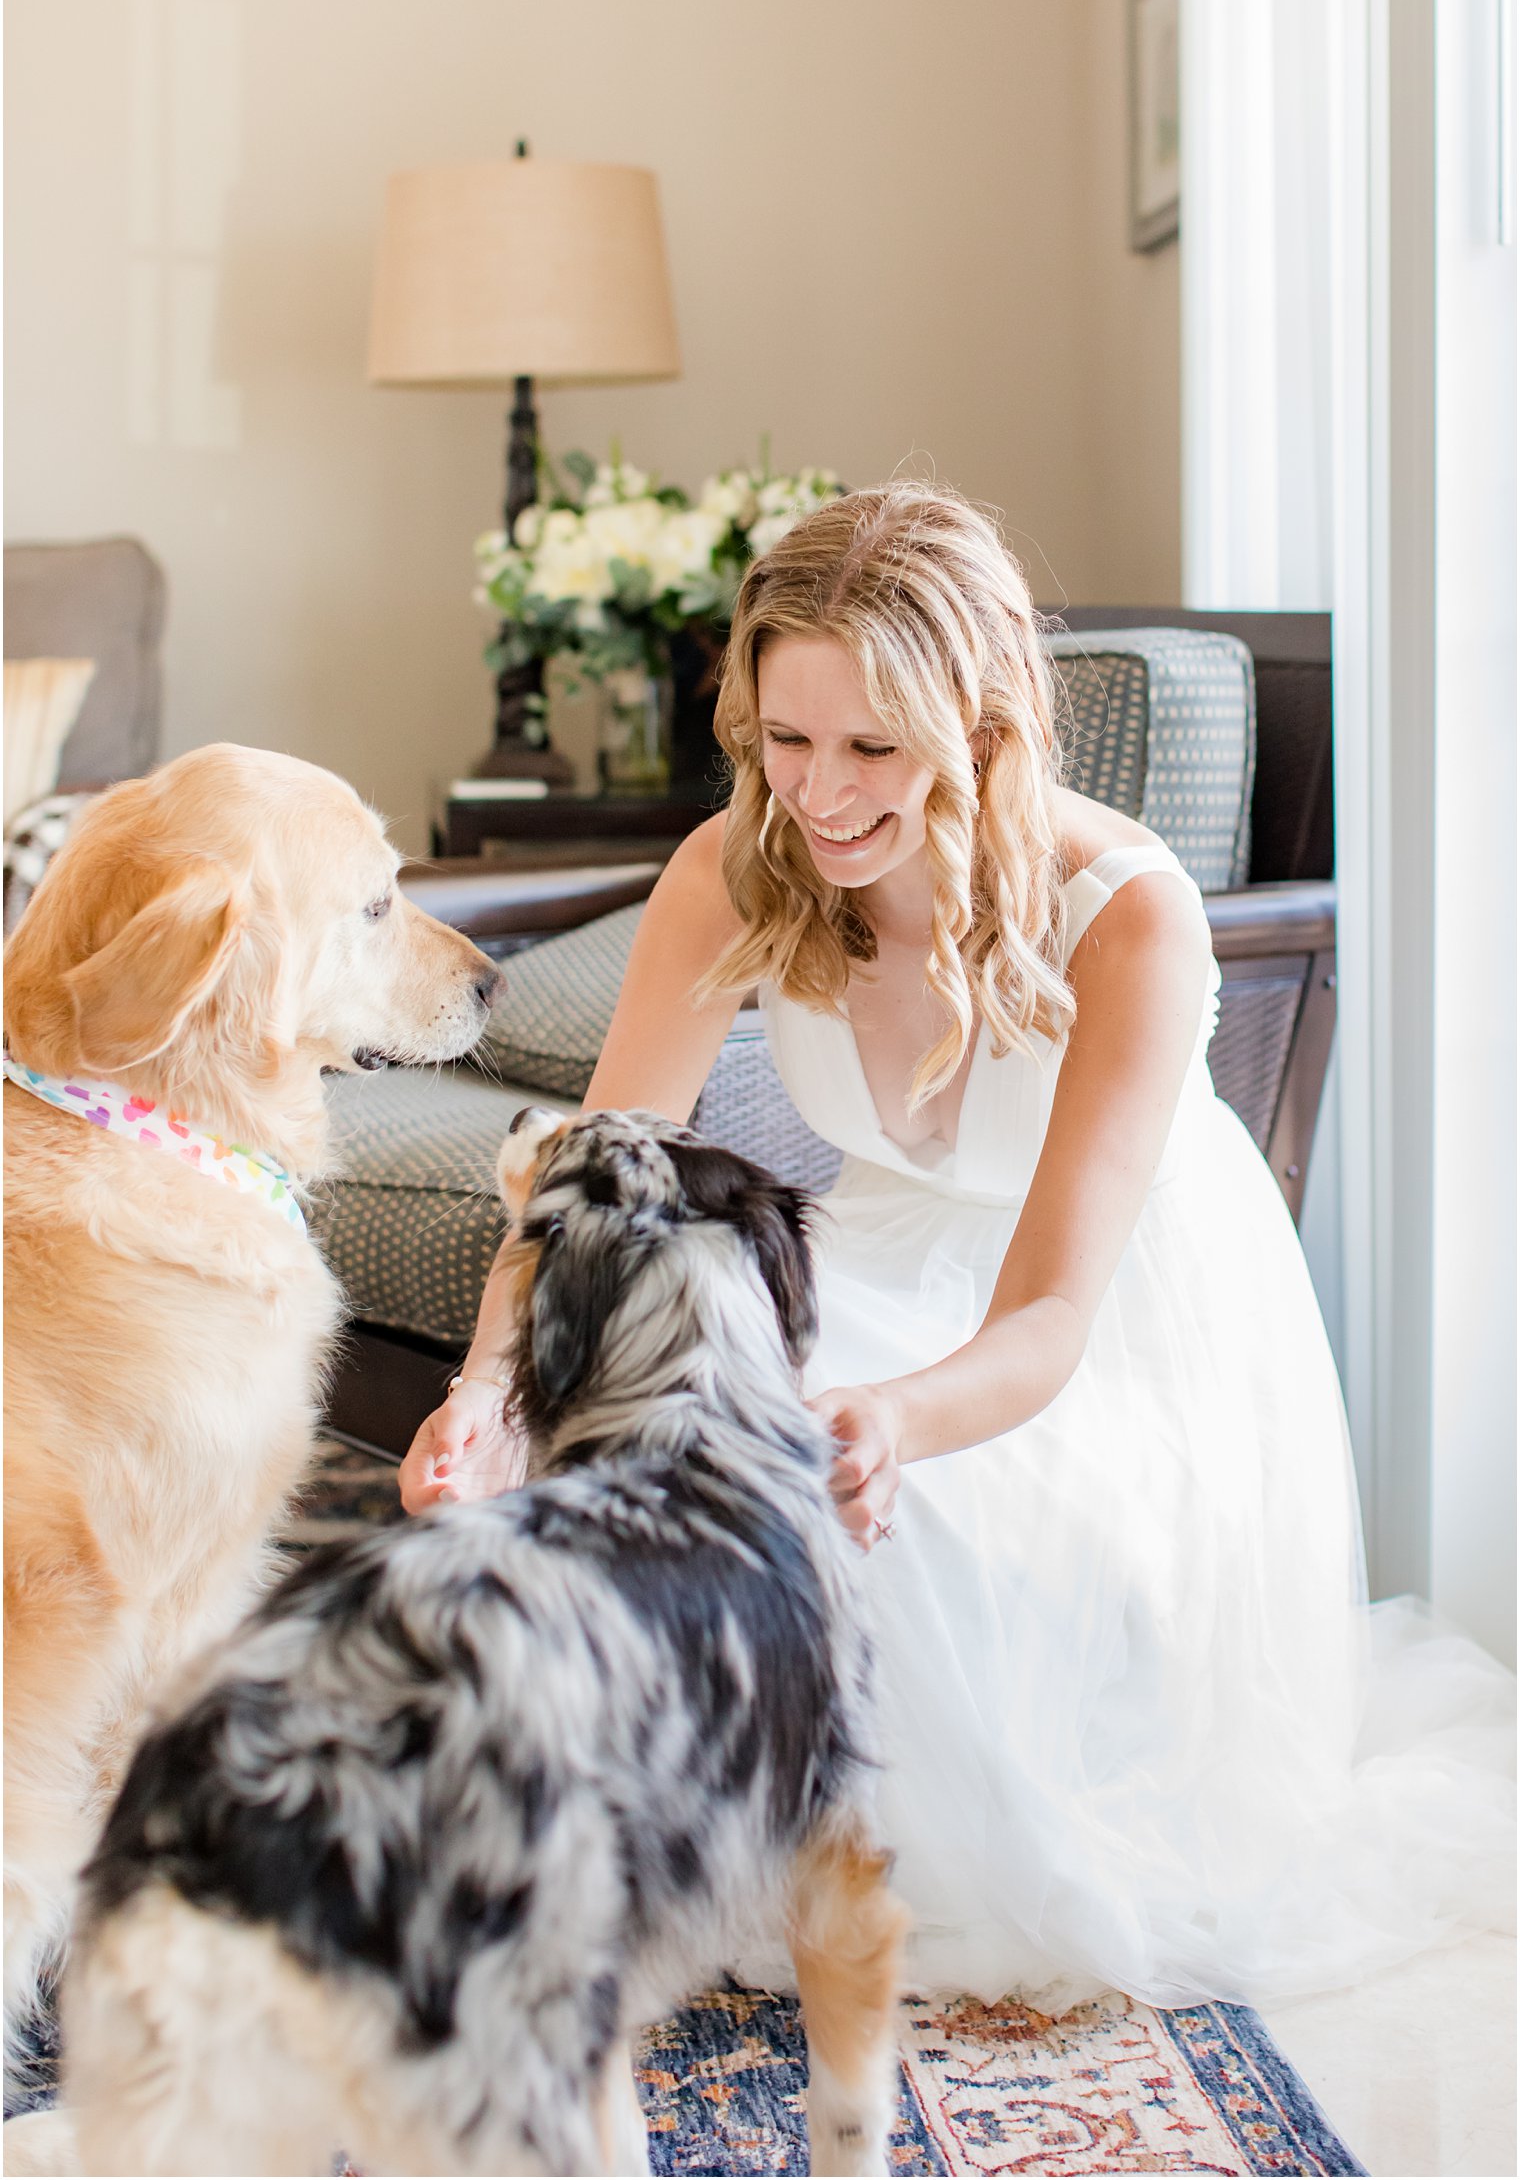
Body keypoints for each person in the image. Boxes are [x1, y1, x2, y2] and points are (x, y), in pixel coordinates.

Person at [400, 484, 1513, 2013]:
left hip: (1112, 1318)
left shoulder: (1127, 919)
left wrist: (897, 1417)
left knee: (855, 1505)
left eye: (876, 749)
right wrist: (485, 1392)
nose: (823, 794)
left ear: (985, 727)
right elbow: (592, 1179)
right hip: (885, 1255)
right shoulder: (738, 862)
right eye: (788, 741)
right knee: (638, 1434)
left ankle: (796, 1859)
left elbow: (1052, 1311)